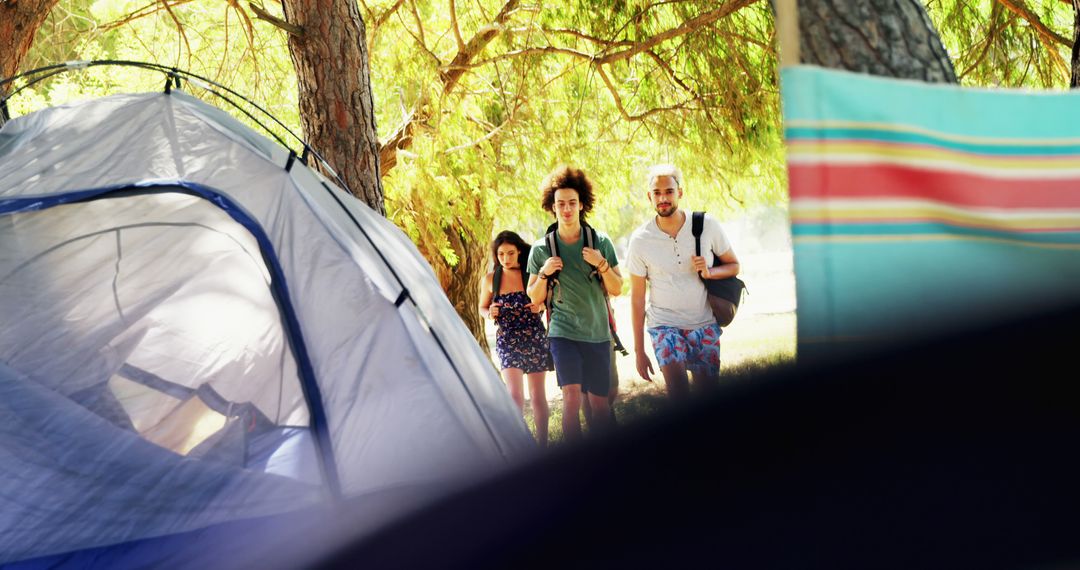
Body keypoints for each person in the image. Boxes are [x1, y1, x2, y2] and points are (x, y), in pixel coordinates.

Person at [627, 164, 740, 401]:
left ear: (680, 192)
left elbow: (734, 265)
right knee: (679, 396)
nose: (663, 198)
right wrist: (639, 350)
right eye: (657, 193)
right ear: (650, 197)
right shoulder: (640, 240)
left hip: (704, 323)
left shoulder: (706, 225)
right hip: (663, 325)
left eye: (668, 191)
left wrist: (710, 272)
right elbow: (637, 298)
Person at [527, 165, 622, 442]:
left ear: (581, 205)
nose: (566, 209)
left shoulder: (600, 241)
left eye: (571, 203)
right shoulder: (541, 249)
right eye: (560, 204)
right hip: (562, 333)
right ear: (552, 208)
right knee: (570, 399)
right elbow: (533, 297)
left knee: (599, 404)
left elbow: (616, 288)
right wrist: (544, 272)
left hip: (596, 333)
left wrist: (601, 264)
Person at [479, 231, 551, 446]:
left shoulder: (532, 274)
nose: (506, 258)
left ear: (519, 251)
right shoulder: (491, 279)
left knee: (538, 395)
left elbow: (548, 302)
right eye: (501, 254)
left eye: (510, 253)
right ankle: (519, 445)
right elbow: (482, 307)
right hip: (507, 340)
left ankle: (542, 445)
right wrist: (489, 311)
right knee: (514, 396)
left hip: (534, 337)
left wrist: (540, 305)